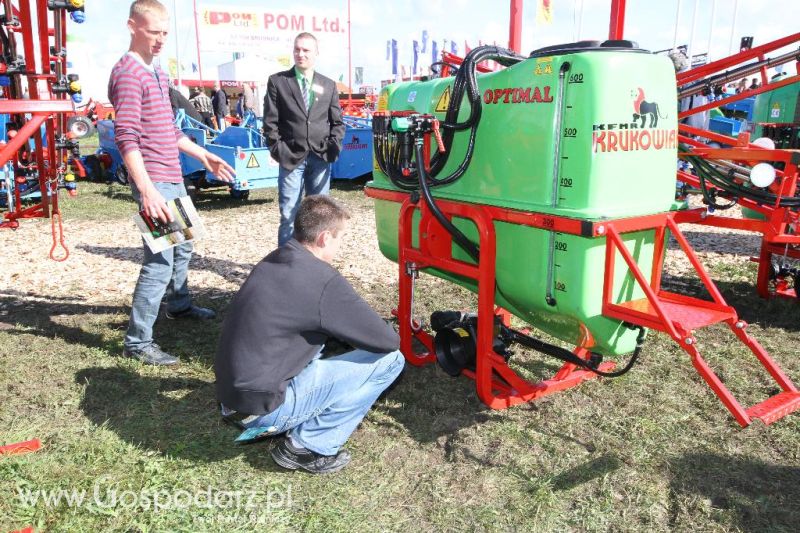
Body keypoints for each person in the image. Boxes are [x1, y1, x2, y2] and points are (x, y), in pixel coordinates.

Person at [215, 195, 404, 474]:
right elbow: (388, 341)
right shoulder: (321, 280)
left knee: (317, 341)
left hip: (231, 399)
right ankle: (308, 446)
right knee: (392, 361)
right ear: (325, 238)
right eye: (341, 239)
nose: (340, 247)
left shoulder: (275, 259)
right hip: (262, 412)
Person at [109, 0, 235, 366]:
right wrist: (146, 191)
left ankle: (178, 306)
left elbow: (169, 128)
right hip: (153, 180)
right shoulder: (129, 73)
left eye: (165, 32)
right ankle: (137, 342)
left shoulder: (159, 73)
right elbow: (127, 137)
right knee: (160, 260)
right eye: (153, 32)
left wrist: (202, 155)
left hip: (172, 176)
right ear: (132, 26)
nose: (161, 40)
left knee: (183, 247)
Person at [263, 32, 345, 246]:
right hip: (291, 158)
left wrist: (333, 147)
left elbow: (337, 122)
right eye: (297, 49)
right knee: (289, 216)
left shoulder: (328, 84)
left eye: (306, 50)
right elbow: (270, 123)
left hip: (320, 157)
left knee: (320, 217)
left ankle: (315, 266)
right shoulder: (278, 82)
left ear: (316, 53)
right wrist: (279, 150)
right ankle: (287, 268)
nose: (301, 54)